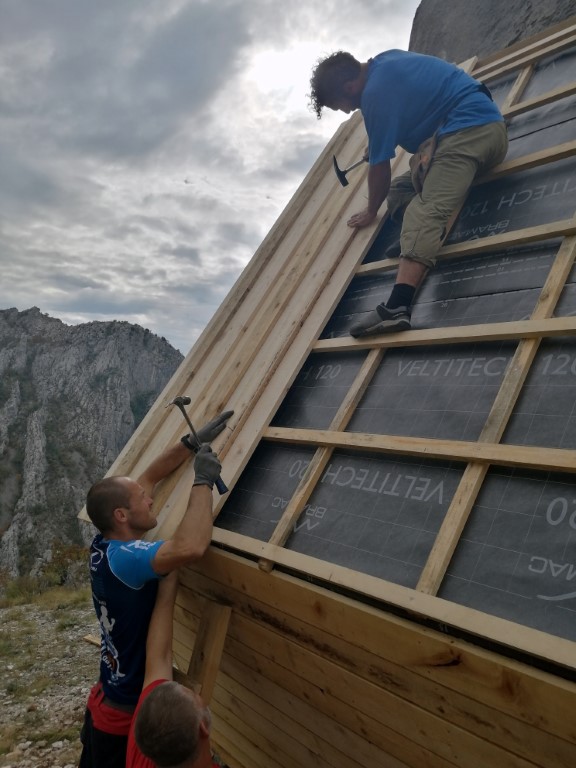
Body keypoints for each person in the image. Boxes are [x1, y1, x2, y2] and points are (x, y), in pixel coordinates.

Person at [308, 49, 508, 336]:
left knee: (422, 212)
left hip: (470, 132)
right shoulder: (384, 63)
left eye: (337, 104)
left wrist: (370, 211)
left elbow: (379, 169)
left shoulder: (374, 94)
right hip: (460, 131)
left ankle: (397, 307)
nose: (344, 111)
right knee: (399, 191)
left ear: (349, 87)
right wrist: (380, 139)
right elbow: (415, 105)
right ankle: (415, 240)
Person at [78, 409, 233, 768]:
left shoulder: (104, 544)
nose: (150, 499)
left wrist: (190, 444)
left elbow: (149, 476)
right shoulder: (129, 559)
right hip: (126, 717)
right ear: (122, 515)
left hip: (108, 693)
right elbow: (191, 547)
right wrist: (203, 481)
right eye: (141, 500)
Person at [126, 570, 218, 768]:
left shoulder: (147, 748)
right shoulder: (143, 748)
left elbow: (159, 656)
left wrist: (170, 575)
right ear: (202, 728)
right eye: (193, 695)